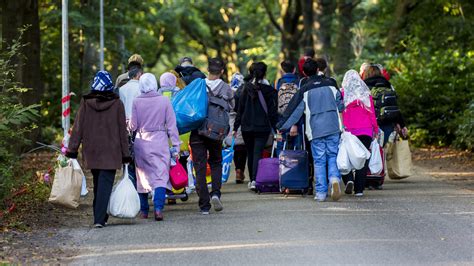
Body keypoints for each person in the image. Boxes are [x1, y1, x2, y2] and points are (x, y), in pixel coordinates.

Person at [66, 71, 130, 228]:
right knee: (105, 184)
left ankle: (100, 215)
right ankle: (99, 219)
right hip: (111, 150)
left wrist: (72, 149)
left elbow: (78, 127)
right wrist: (126, 154)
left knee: (98, 183)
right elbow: (122, 131)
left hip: (92, 150)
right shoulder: (117, 104)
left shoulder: (86, 103)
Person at [278, 59, 343, 202]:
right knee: (333, 155)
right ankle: (334, 178)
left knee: (319, 161)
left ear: (304, 73)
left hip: (315, 130)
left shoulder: (305, 89)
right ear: (318, 69)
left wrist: (282, 126)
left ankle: (321, 193)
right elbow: (341, 105)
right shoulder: (331, 84)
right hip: (333, 127)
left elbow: (295, 111)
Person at [130, 73, 180, 221]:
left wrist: (127, 123)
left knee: (142, 176)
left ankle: (144, 211)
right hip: (160, 141)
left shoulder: (136, 101)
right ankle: (158, 209)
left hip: (142, 141)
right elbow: (172, 125)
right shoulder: (164, 100)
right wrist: (176, 146)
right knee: (160, 176)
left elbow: (133, 126)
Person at [191, 58, 234, 215]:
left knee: (199, 166)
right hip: (216, 131)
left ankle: (204, 205)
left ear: (207, 70)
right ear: (222, 71)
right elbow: (231, 108)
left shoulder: (198, 85)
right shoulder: (226, 88)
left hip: (198, 130)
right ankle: (215, 193)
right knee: (216, 162)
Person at [234, 62, 278, 191]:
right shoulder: (269, 91)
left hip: (246, 126)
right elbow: (272, 112)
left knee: (250, 152)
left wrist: (236, 127)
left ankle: (253, 180)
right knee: (258, 152)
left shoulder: (243, 89)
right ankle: (255, 179)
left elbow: (239, 110)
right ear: (264, 73)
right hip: (262, 127)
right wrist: (276, 128)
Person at [340, 70, 379, 197]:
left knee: (345, 157)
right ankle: (359, 190)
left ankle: (349, 179)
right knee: (363, 159)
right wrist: (376, 130)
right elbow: (372, 114)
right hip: (366, 130)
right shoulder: (366, 94)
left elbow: (339, 112)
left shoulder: (342, 94)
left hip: (349, 131)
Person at [362, 64, 407, 146]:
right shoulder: (388, 85)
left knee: (373, 153)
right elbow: (394, 105)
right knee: (383, 150)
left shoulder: (364, 87)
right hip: (388, 123)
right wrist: (402, 124)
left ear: (366, 74)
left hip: (372, 125)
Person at [118, 66, 143, 189]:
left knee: (128, 156)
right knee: (140, 156)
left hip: (126, 125)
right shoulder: (141, 87)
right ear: (138, 75)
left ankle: (131, 183)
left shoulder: (122, 89)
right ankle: (142, 183)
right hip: (140, 125)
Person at [225, 73, 247, 184]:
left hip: (230, 122)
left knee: (234, 146)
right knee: (242, 148)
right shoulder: (244, 91)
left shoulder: (228, 90)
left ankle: (238, 170)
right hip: (243, 122)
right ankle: (240, 170)